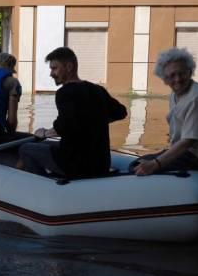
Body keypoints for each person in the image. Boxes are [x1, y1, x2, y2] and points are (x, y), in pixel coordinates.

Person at [17, 46, 127, 178]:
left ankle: (45, 185)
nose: (51, 74)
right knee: (44, 144)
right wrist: (95, 121)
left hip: (75, 164)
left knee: (25, 148)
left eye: (54, 68)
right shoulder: (98, 90)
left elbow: (64, 127)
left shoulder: (64, 93)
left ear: (69, 67)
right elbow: (121, 112)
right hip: (101, 163)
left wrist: (44, 132)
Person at [133, 48, 198, 177]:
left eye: (182, 73)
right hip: (189, 153)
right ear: (165, 79)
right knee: (137, 163)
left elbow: (189, 140)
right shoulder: (175, 95)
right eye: (172, 75)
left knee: (135, 167)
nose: (177, 79)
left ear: (190, 72)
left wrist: (155, 163)